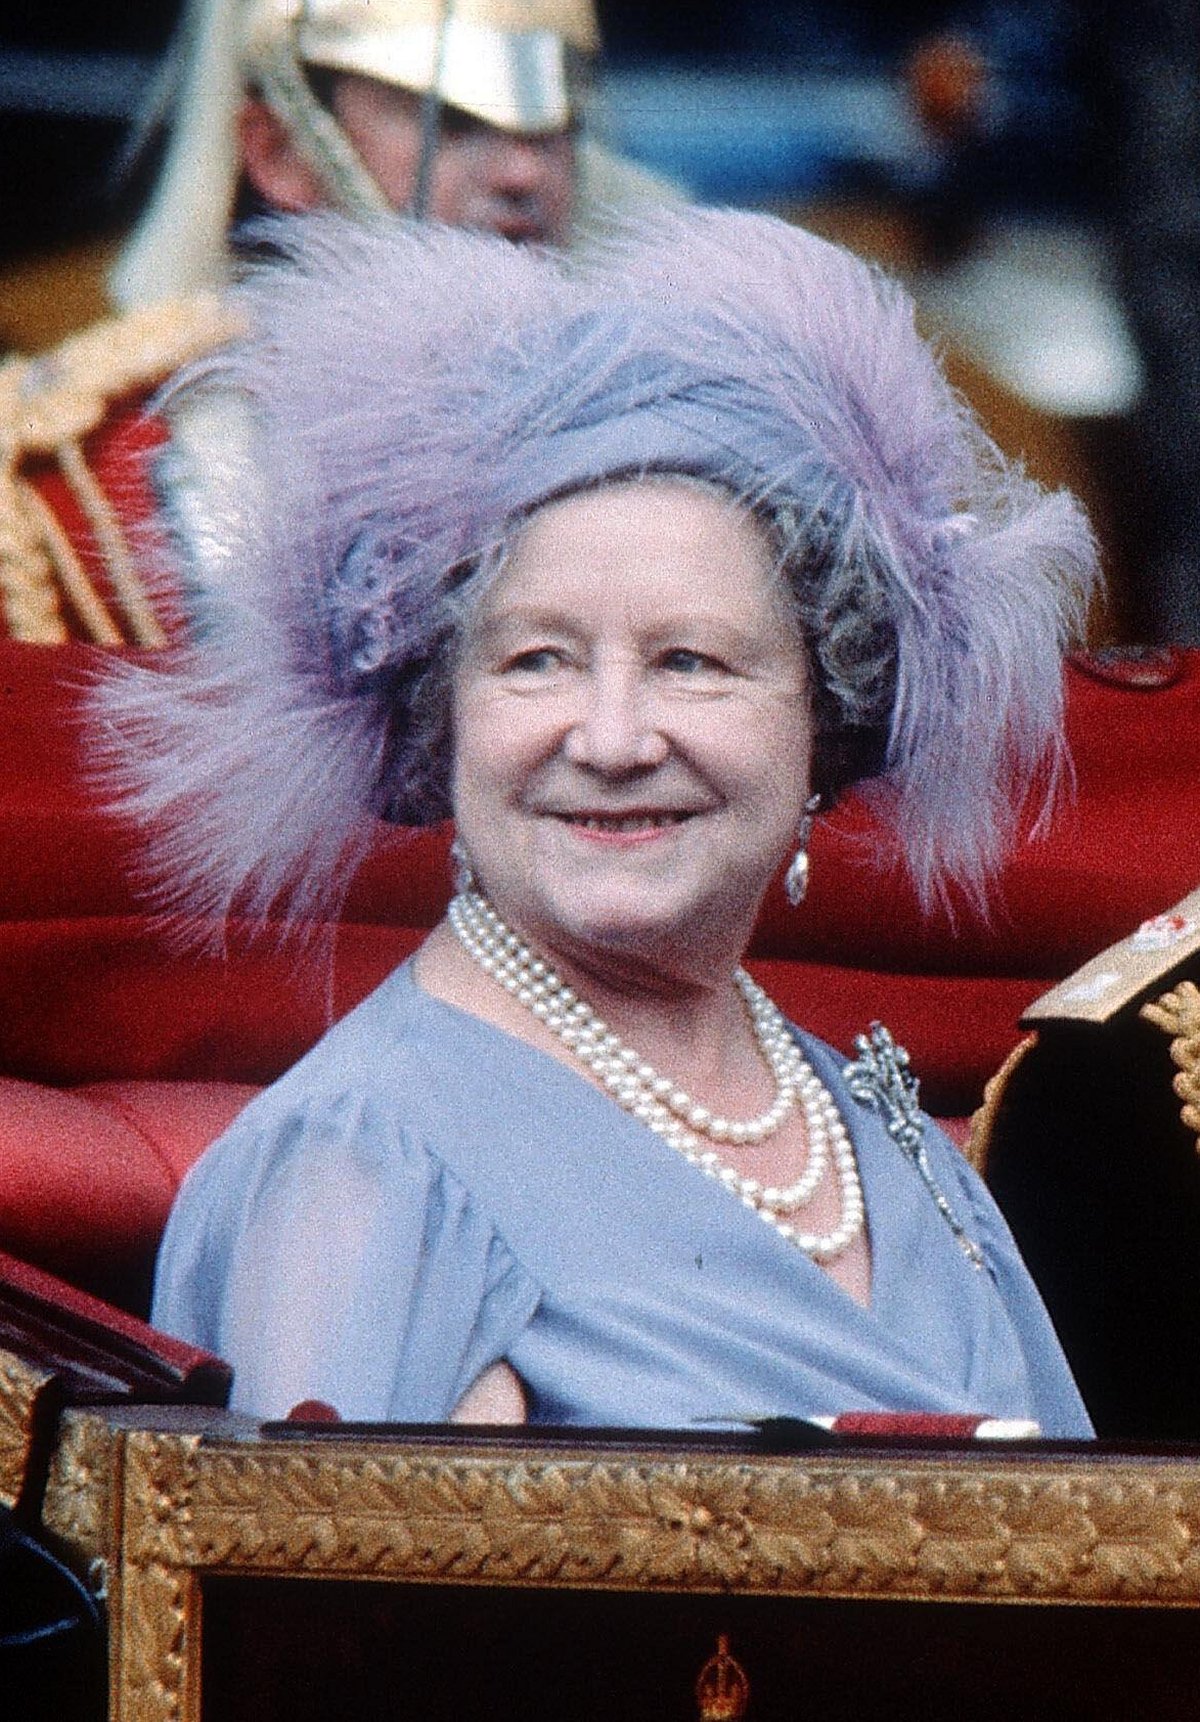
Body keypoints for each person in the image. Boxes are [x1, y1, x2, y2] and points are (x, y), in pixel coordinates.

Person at [96, 206, 1098, 1436]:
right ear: (438, 717)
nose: (614, 739)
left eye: (691, 663)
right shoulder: (363, 1170)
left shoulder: (879, 1132)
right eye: (536, 663)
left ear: (823, 723)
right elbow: (338, 1626)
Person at [2, 0, 672, 646]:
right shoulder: (69, 492)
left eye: (554, 126)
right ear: (281, 153)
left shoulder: (669, 434)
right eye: (455, 120)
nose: (524, 171)